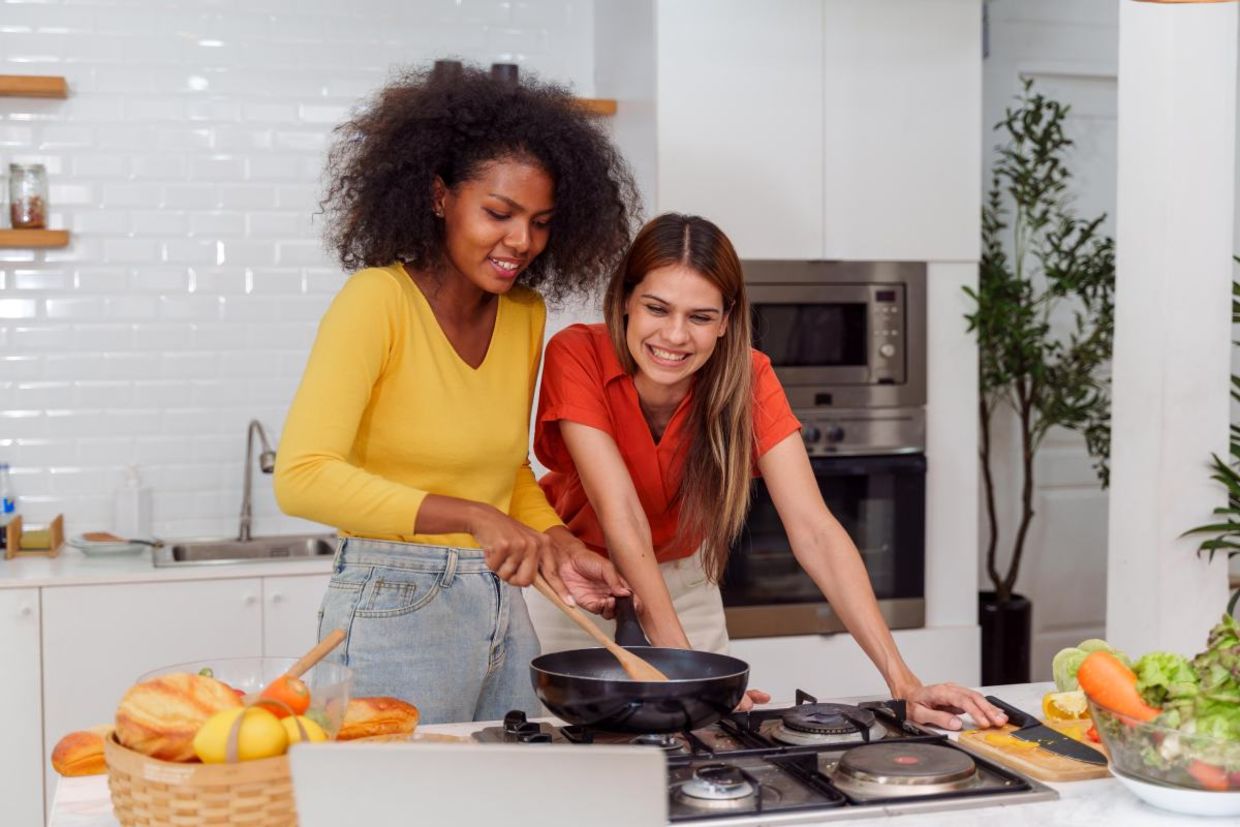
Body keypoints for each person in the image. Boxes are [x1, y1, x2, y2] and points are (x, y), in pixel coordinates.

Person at [529, 213, 1009, 730]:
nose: (674, 335)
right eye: (656, 308)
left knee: (696, 763)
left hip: (686, 592)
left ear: (728, 319)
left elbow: (816, 531)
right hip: (577, 595)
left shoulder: (750, 377)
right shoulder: (576, 354)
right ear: (625, 299)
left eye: (700, 316)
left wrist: (904, 684)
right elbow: (621, 515)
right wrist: (691, 676)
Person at [274, 66, 638, 724]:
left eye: (540, 222)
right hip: (392, 602)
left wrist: (555, 539)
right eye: (498, 213)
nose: (520, 241)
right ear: (441, 196)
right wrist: (472, 515)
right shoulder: (377, 301)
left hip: (498, 602)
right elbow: (301, 479)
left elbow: (507, 471)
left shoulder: (524, 314)